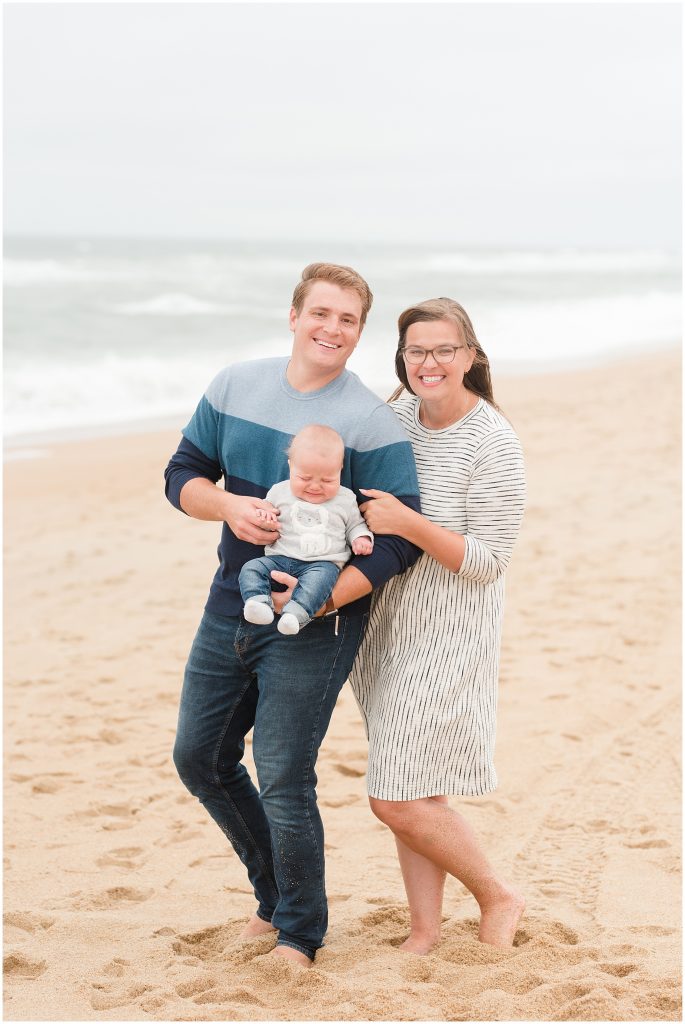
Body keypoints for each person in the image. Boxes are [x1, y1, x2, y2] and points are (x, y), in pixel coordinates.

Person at [164, 263, 421, 966]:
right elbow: (180, 473)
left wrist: (317, 598)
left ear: (359, 331)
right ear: (293, 315)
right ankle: (275, 897)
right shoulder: (233, 386)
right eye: (321, 313)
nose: (331, 329)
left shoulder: (367, 420)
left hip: (321, 623)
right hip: (231, 603)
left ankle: (299, 933)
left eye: (347, 320)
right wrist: (226, 507)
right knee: (200, 757)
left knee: (280, 771)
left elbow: (398, 539)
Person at [350, 297, 526, 954]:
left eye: (443, 350)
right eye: (415, 351)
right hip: (382, 628)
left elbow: (488, 561)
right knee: (413, 785)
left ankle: (496, 894)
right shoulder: (391, 418)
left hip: (448, 633)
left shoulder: (493, 442)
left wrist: (410, 525)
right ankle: (423, 931)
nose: (428, 362)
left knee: (394, 795)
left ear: (470, 356)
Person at [239, 424, 373, 636]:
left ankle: (296, 614)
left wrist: (361, 538)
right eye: (305, 478)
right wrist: (265, 516)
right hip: (279, 558)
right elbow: (266, 511)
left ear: (340, 469)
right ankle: (258, 602)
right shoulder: (279, 491)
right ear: (291, 466)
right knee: (252, 568)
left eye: (328, 480)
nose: (315, 486)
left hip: (322, 563)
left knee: (320, 583)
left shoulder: (345, 499)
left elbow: (355, 525)